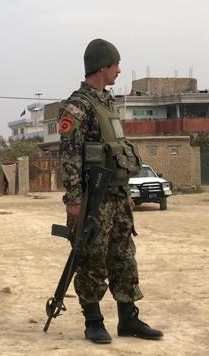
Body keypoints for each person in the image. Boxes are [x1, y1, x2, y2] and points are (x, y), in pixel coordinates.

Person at [58, 38, 163, 343]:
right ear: (102, 67)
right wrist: (74, 200)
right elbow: (69, 156)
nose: (119, 70)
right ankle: (93, 321)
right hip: (93, 199)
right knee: (91, 258)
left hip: (116, 195)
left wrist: (125, 191)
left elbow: (116, 151)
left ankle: (128, 319)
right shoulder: (78, 106)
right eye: (116, 64)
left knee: (123, 256)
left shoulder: (108, 103)